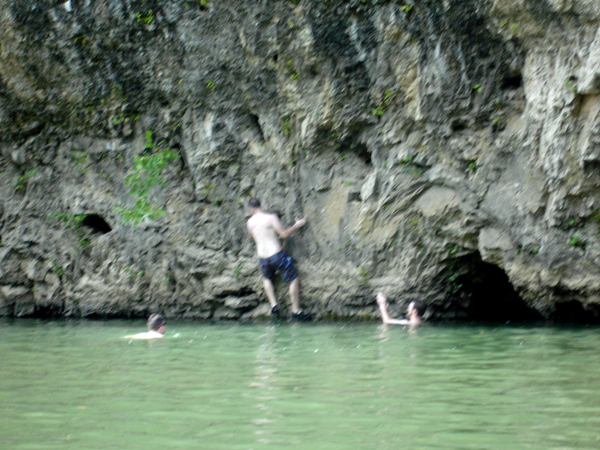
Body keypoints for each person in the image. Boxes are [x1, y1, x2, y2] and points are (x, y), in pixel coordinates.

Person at [246, 197, 310, 320]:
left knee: (266, 278)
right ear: (260, 205)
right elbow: (284, 234)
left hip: (263, 258)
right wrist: (297, 225)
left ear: (251, 208)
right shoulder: (270, 218)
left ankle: (274, 305)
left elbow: (253, 238)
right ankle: (296, 311)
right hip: (276, 255)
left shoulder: (249, 222)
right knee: (293, 279)